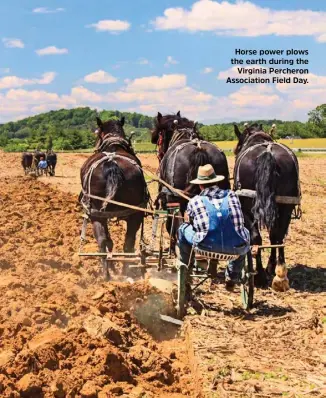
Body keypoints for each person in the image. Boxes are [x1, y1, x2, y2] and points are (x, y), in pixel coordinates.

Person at [176, 164, 250, 290]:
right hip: (234, 249)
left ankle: (186, 271)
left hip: (204, 246)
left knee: (182, 229)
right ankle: (233, 276)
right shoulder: (232, 195)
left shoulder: (195, 201)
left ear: (200, 185)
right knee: (244, 235)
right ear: (216, 182)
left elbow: (190, 221)